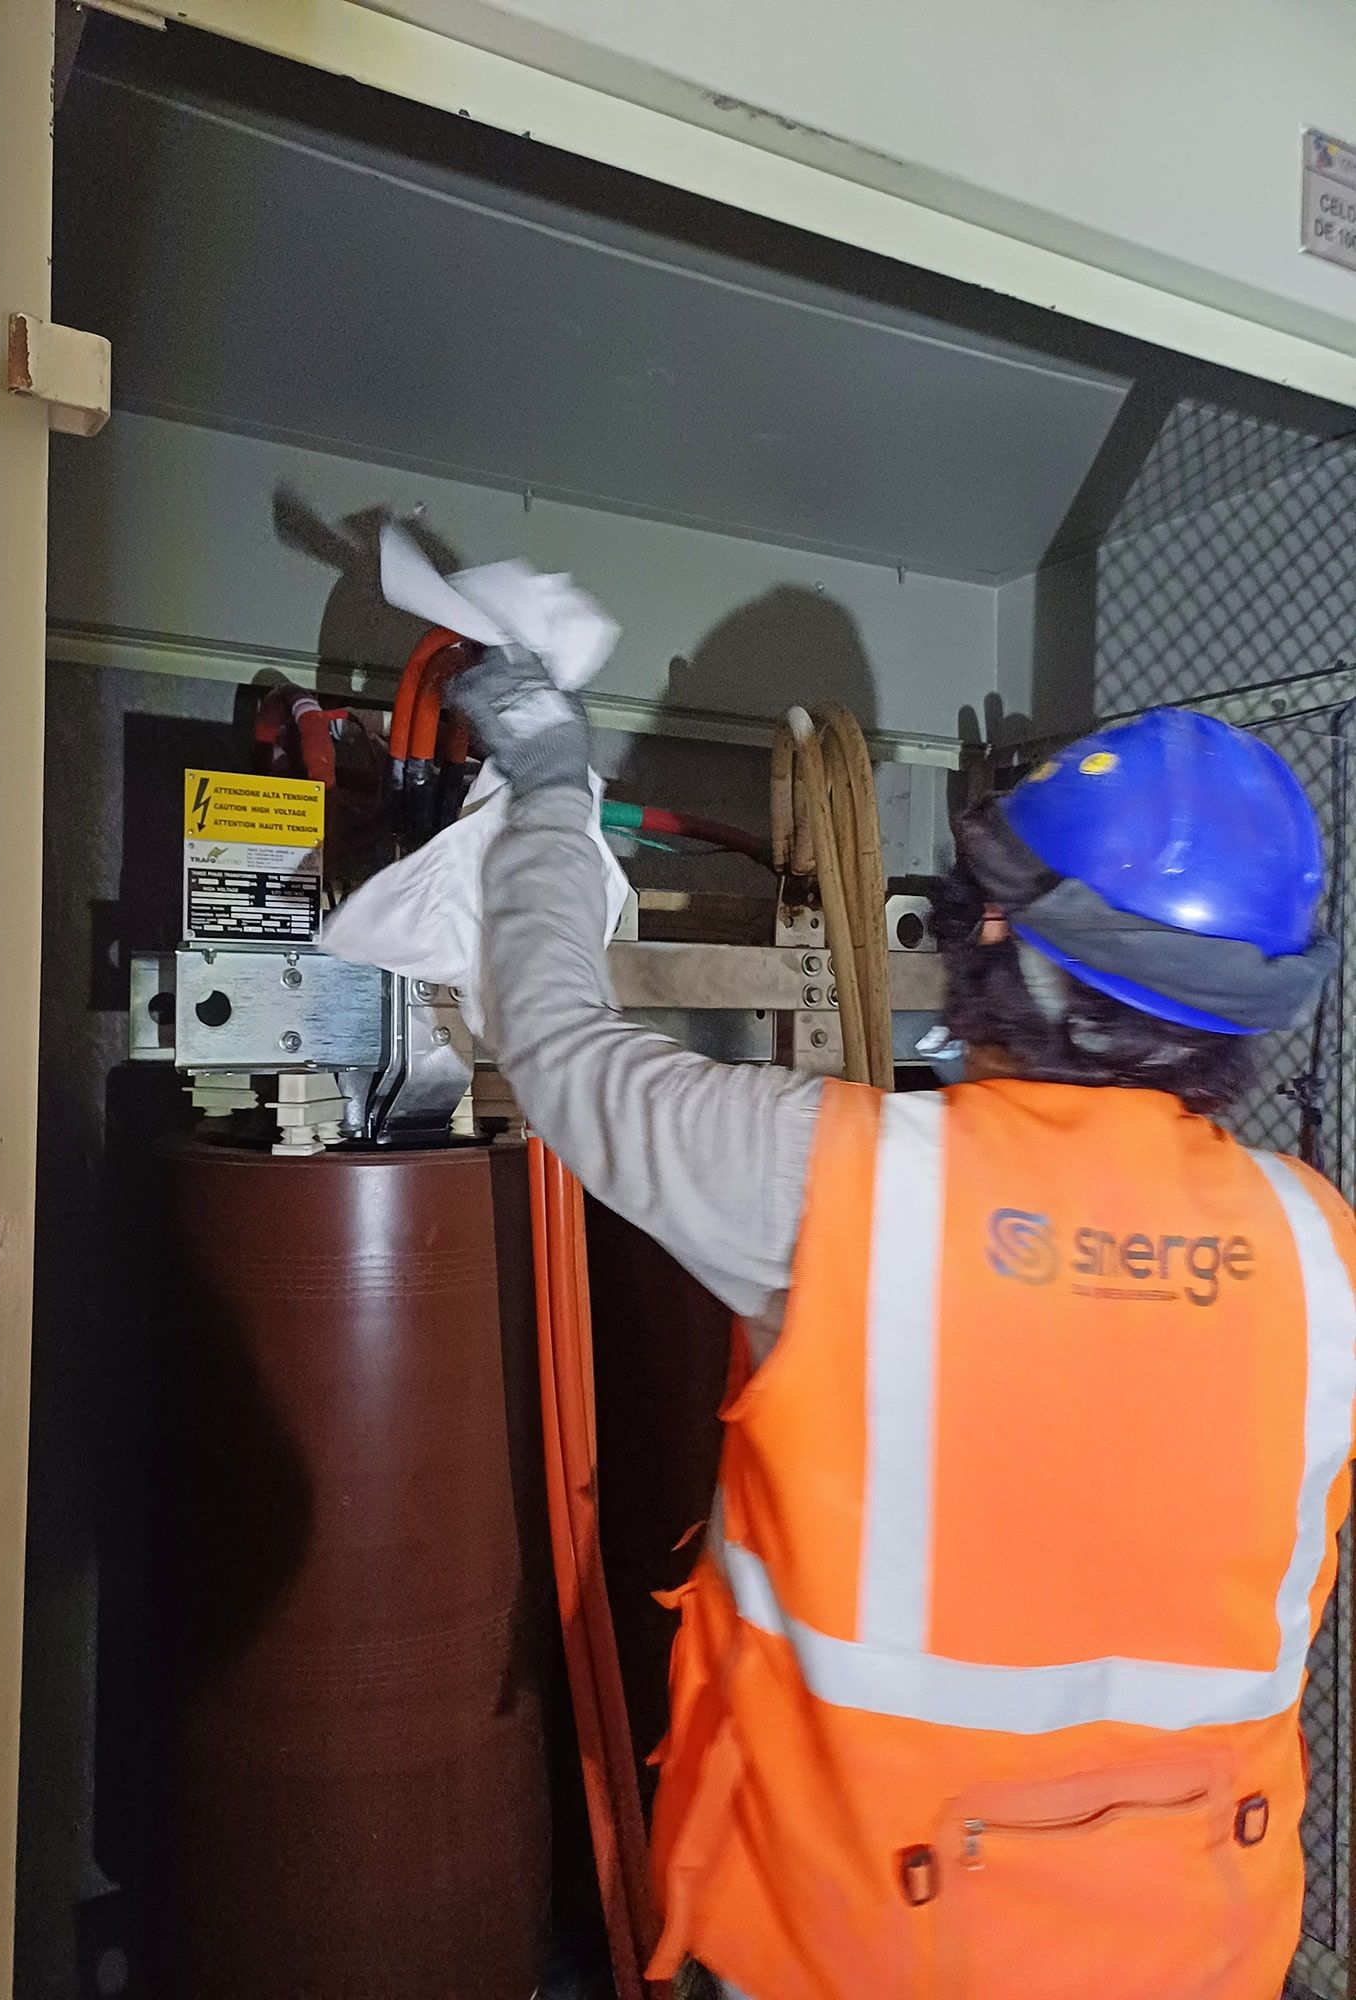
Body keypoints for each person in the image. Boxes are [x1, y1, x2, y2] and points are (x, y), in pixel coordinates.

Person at [452, 650, 1356, 2000]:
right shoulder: (1319, 1246)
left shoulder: (831, 1179)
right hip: (1199, 1951)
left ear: (1004, 944)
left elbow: (556, 1046)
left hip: (854, 1945)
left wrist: (543, 778)